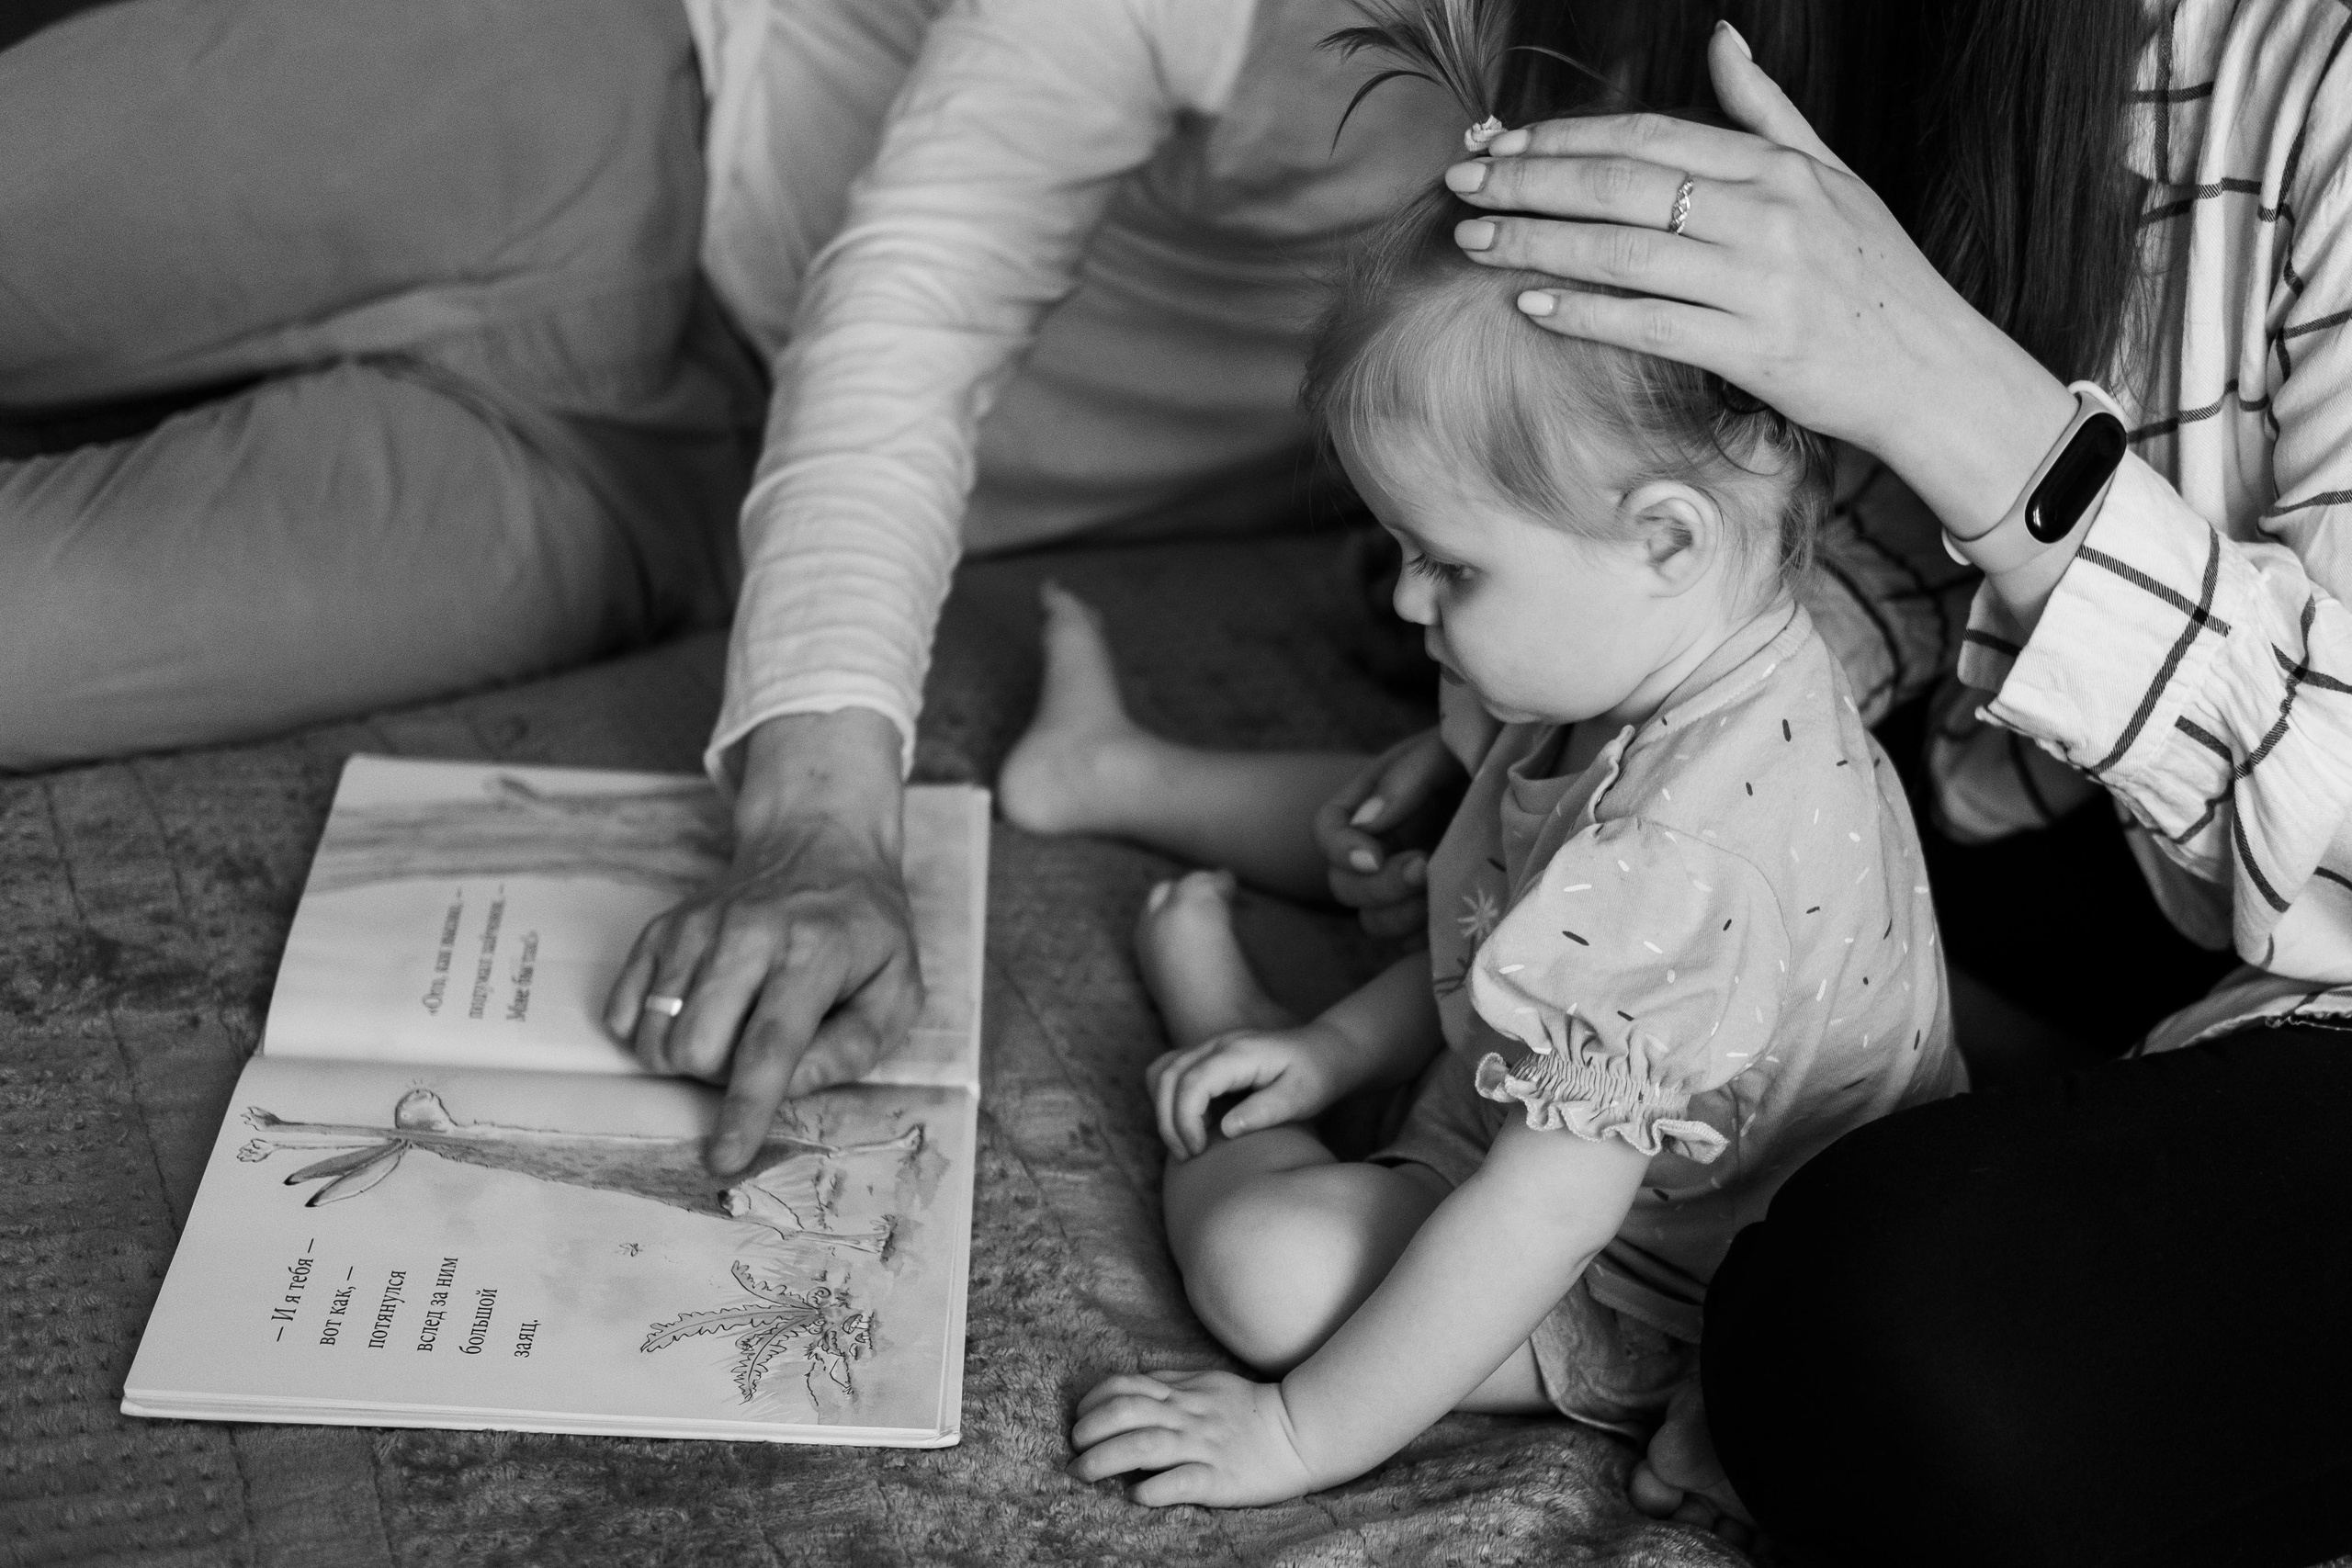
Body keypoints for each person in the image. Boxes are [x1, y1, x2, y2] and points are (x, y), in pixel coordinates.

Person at [1318, 8, 2352, 1563]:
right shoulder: (1928, 52)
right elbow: (1825, 527)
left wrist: (1956, 400)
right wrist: (1640, 721)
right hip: (2081, 826)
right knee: (1495, 641)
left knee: (1889, 1353)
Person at [1044, 24, 1962, 1491]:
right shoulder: (1678, 659)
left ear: (1665, 537)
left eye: (1445, 562)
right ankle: (1178, 876)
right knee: (1408, 810)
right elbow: (1506, 919)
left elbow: (1539, 1220)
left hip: (1648, 1269)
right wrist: (1335, 1045)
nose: (1406, 599)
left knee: (1270, 1276)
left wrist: (1297, 1431)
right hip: (1543, 1102)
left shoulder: (1682, 854)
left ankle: (1211, 1023)